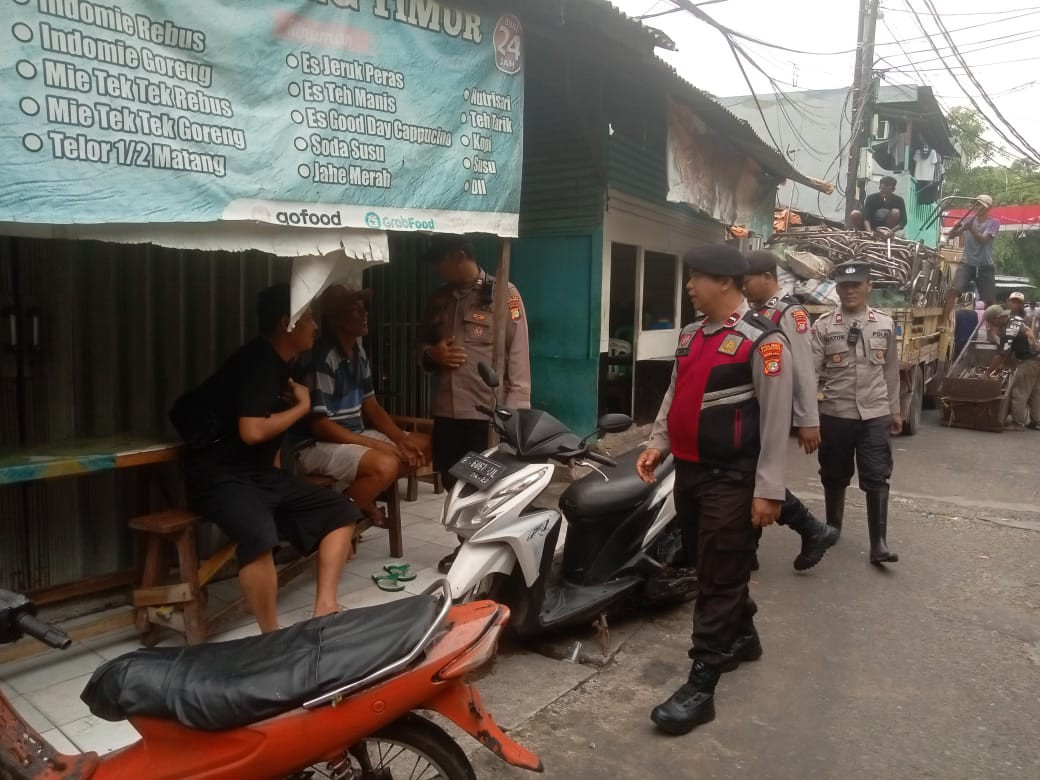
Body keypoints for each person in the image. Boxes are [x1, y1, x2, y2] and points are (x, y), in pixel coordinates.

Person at [637, 244, 793, 736]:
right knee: (710, 562)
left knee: (719, 576)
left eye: (696, 277)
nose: (688, 286)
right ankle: (743, 636)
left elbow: (775, 422)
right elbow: (674, 393)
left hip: (733, 477)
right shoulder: (690, 335)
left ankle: (701, 685)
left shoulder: (762, 341)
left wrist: (769, 490)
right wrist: (657, 443)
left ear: (725, 282)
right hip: (690, 472)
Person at [173, 284, 361, 633]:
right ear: (286, 323)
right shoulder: (258, 361)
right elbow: (253, 431)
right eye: (308, 319)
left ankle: (325, 607)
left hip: (257, 474)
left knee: (342, 512)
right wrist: (304, 407)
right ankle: (271, 635)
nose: (316, 327)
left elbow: (267, 437)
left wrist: (279, 488)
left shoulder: (280, 364)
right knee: (259, 537)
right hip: (219, 476)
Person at [417, 235, 531, 572]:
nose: (437, 269)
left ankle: (487, 548)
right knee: (453, 481)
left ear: (460, 255)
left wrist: (514, 412)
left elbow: (518, 354)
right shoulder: (438, 299)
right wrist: (432, 355)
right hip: (447, 411)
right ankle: (466, 545)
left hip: (485, 413)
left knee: (486, 486)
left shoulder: (505, 294)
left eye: (440, 260)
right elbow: (419, 345)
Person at [296, 284, 432, 526]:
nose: (365, 314)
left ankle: (358, 500)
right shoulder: (324, 357)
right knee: (385, 464)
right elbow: (320, 425)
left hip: (353, 435)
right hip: (317, 445)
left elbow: (371, 406)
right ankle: (332, 523)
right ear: (337, 319)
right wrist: (376, 445)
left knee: (423, 445)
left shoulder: (357, 351)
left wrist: (401, 440)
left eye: (363, 308)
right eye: (355, 310)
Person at [743, 250, 838, 571]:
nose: (743, 288)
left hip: (774, 408)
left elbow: (804, 368)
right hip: (755, 407)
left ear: (768, 278)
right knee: (749, 477)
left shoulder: (789, 312)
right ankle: (749, 550)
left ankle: (812, 529)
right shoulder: (754, 311)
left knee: (754, 477)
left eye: (748, 281)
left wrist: (808, 420)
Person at [811, 261, 901, 566]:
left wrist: (895, 411)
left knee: (877, 476)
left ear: (868, 287)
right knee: (833, 474)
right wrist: (809, 418)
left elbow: (891, 371)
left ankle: (879, 544)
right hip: (836, 413)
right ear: (837, 289)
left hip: (875, 414)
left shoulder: (885, 325)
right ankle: (832, 528)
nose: (850, 291)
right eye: (844, 286)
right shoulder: (823, 326)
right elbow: (810, 374)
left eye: (856, 285)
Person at [941, 195, 999, 327]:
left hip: (985, 266)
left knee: (990, 301)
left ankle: (992, 330)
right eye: (976, 204)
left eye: (980, 205)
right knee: (953, 291)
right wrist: (956, 228)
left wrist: (970, 228)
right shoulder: (968, 219)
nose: (977, 207)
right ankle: (943, 322)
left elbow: (984, 240)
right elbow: (951, 236)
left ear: (988, 208)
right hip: (967, 263)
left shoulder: (993, 222)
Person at [982, 304, 1040, 430]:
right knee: (1034, 392)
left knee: (1018, 392)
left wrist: (987, 373)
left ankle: (1017, 423)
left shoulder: (1008, 330)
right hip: (1037, 357)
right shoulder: (1017, 319)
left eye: (990, 321)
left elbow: (1002, 354)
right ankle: (1037, 421)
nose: (990, 324)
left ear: (997, 318)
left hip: (1029, 361)